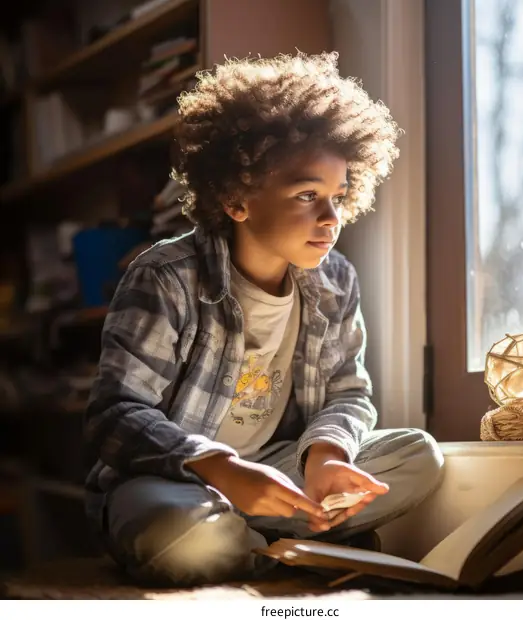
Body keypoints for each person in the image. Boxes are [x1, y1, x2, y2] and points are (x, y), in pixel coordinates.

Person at [83, 51, 444, 588]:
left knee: (419, 456)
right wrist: (222, 469)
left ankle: (255, 542)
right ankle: (283, 545)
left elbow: (349, 393)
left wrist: (326, 457)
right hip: (176, 481)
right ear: (236, 199)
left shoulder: (335, 279)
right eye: (307, 196)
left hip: (279, 469)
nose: (331, 219)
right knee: (177, 530)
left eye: (339, 197)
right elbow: (115, 413)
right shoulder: (165, 277)